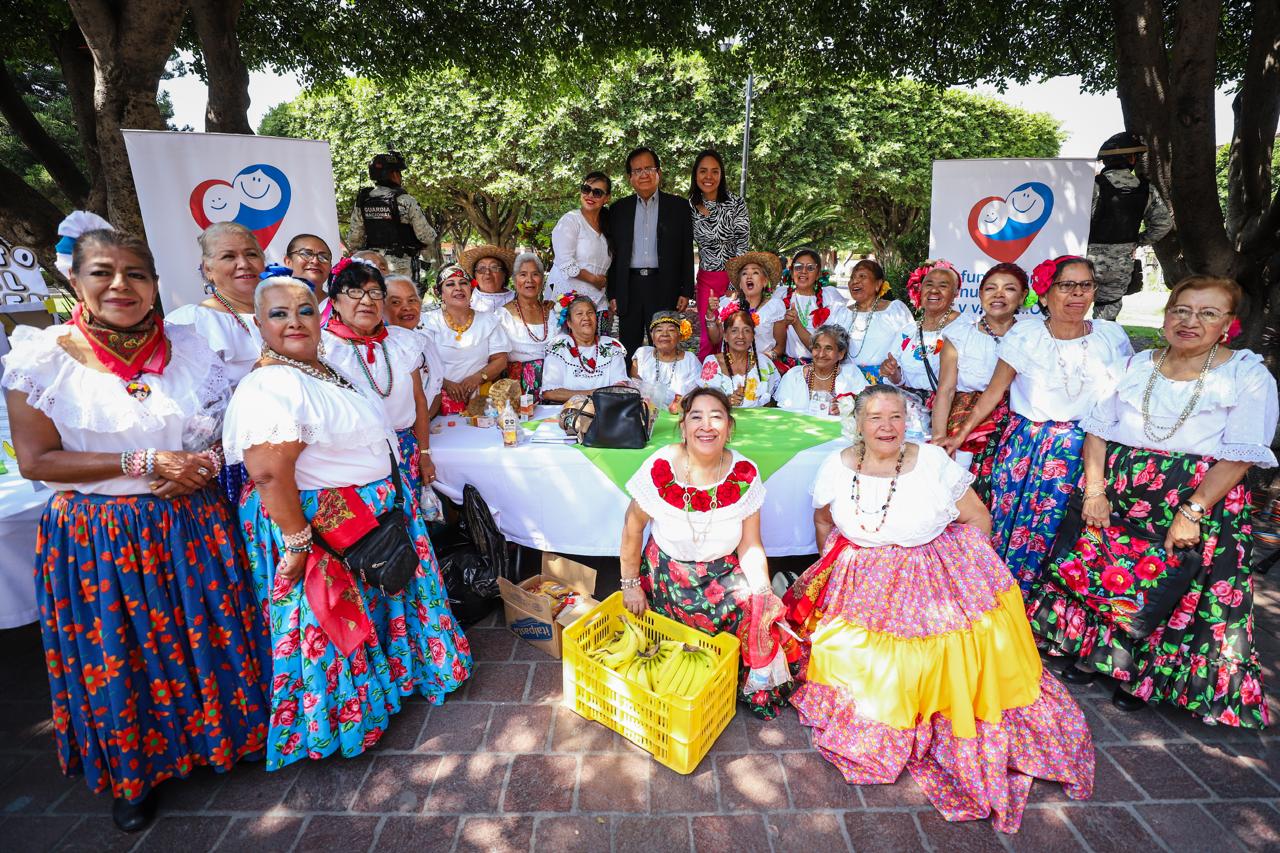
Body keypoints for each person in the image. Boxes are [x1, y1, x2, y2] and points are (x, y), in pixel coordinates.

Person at [3, 230, 269, 832]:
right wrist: (146, 462)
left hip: (189, 520)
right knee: (119, 651)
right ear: (76, 281)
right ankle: (134, 775)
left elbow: (217, 429)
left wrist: (200, 464)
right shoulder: (42, 357)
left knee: (203, 633)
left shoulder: (187, 347)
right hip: (101, 534)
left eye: (135, 273)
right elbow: (37, 461)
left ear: (154, 283)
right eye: (102, 272)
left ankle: (220, 741)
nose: (120, 285)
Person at [785, 385, 1094, 833]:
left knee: (940, 653)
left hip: (930, 569)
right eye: (875, 417)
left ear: (907, 419)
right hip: (863, 579)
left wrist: (969, 570)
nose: (887, 427)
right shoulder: (836, 466)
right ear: (858, 424)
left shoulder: (930, 461)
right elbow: (822, 521)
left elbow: (977, 518)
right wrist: (835, 574)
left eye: (896, 416)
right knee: (860, 658)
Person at [224, 276, 472, 771]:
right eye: (279, 313)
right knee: (333, 620)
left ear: (320, 316)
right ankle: (340, 722)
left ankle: (391, 685)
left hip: (366, 514)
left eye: (304, 310)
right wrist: (297, 543)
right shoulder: (272, 381)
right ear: (258, 324)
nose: (294, 320)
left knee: (370, 606)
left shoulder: (319, 369)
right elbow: (270, 471)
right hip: (325, 524)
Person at [1026, 276, 1276, 728]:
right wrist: (1095, 490)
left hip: (1196, 501)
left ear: (1228, 325)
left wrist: (1192, 511)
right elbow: (1099, 428)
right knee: (1104, 575)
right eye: (1181, 310)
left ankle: (1143, 677)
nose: (1190, 321)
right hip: (1119, 494)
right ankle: (1095, 655)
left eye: (1207, 313)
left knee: (1170, 588)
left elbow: (1240, 456)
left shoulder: (1246, 374)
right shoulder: (1135, 364)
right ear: (1165, 316)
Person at [941, 256, 1134, 591]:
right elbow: (993, 392)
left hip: (1086, 449)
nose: (1077, 294)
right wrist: (958, 437)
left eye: (1085, 285)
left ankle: (1049, 614)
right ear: (1045, 296)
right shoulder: (1027, 335)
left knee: (1066, 529)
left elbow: (1124, 396)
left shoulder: (1111, 336)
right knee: (1010, 524)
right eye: (1066, 286)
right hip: (1027, 447)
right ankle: (1003, 601)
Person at [621, 387, 790, 719]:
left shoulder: (744, 472)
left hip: (723, 578)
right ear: (683, 427)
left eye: (717, 417)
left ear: (729, 427)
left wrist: (762, 592)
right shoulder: (661, 466)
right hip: (668, 578)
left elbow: (750, 544)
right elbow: (632, 527)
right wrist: (629, 583)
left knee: (762, 623)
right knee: (668, 655)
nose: (706, 425)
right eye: (696, 416)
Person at [166, 222, 267, 505]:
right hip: (231, 462)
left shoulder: (283, 312)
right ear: (208, 269)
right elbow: (186, 413)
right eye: (228, 257)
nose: (243, 264)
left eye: (251, 254)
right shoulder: (192, 323)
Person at [321, 259, 436, 495]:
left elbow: (419, 400)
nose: (366, 300)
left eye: (374, 292)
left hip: (405, 451)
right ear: (334, 302)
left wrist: (424, 453)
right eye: (354, 292)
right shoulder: (324, 349)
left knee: (404, 523)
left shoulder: (401, 341)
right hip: (354, 460)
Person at [930, 263, 1028, 501]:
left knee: (1005, 492)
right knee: (959, 492)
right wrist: (940, 440)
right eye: (991, 288)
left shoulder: (1032, 334)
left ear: (1023, 295)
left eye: (1009, 289)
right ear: (980, 293)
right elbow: (946, 390)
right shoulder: (961, 335)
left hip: (1016, 424)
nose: (998, 295)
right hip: (964, 421)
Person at [606, 147, 695, 355]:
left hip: (664, 285)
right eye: (637, 170)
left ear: (659, 173)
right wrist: (613, 292)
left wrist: (686, 290)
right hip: (630, 286)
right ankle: (629, 385)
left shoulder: (679, 207)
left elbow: (685, 250)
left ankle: (663, 386)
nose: (643, 174)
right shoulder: (619, 210)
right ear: (630, 178)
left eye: (648, 168)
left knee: (665, 347)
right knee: (628, 348)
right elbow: (613, 254)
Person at [1087, 132, 1172, 321]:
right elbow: (1163, 224)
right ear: (1132, 159)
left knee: (1071, 309)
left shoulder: (1092, 185)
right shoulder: (1146, 188)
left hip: (1085, 262)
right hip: (1121, 264)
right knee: (1106, 318)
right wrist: (1138, 241)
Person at [417, 266, 511, 414]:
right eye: (450, 284)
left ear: (471, 289)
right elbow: (420, 363)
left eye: (463, 283)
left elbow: (500, 360)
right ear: (439, 292)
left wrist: (477, 378)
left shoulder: (488, 320)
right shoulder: (427, 321)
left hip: (480, 400)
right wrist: (445, 384)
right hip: (436, 400)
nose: (458, 288)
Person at [690, 150, 750, 359]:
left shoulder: (736, 204)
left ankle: (733, 383)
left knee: (733, 332)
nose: (709, 177)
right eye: (703, 171)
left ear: (721, 175)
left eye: (715, 171)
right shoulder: (689, 207)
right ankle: (706, 386)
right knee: (708, 335)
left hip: (732, 279)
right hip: (707, 279)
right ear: (695, 174)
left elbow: (743, 243)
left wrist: (735, 285)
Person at [880, 260, 961, 403]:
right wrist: (892, 372)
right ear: (921, 290)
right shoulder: (908, 331)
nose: (934, 290)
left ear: (955, 293)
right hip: (913, 409)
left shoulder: (965, 327)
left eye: (943, 286)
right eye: (928, 285)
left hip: (950, 407)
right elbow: (899, 381)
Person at [347, 151, 436, 277]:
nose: (400, 176)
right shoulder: (405, 200)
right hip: (400, 267)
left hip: (372, 265)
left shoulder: (363, 200)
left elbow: (354, 240)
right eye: (399, 172)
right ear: (393, 174)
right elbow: (426, 236)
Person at [545, 171, 613, 331]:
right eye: (586, 189)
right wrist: (594, 280)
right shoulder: (570, 220)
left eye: (597, 192)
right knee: (568, 348)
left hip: (597, 299)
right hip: (567, 297)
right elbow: (566, 263)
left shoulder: (608, 226)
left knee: (599, 347)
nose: (590, 195)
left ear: (607, 198)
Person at [540, 293, 628, 403]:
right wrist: (594, 394)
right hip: (567, 412)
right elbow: (550, 392)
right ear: (569, 322)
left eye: (590, 313)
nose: (586, 318)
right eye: (579, 314)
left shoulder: (611, 346)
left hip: (606, 411)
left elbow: (620, 386)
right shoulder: (559, 346)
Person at [839, 258, 913, 383]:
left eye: (862, 276)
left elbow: (909, 346)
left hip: (887, 383)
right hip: (848, 383)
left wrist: (894, 371)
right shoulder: (842, 313)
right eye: (852, 277)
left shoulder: (894, 310)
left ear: (878, 284)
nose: (855, 281)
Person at [384, 273, 445, 418]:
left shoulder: (425, 342)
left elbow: (436, 390)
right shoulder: (380, 350)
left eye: (412, 300)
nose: (407, 307)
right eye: (395, 302)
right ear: (380, 307)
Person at [774, 248, 846, 370]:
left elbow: (830, 344)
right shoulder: (780, 295)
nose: (803, 271)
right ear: (791, 272)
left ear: (818, 273)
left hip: (821, 367)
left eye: (810, 268)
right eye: (798, 267)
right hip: (786, 368)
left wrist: (796, 323)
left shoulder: (830, 296)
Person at [705, 252, 786, 360]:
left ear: (765, 282)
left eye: (755, 272)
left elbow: (780, 346)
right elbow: (715, 339)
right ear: (740, 284)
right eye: (744, 274)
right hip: (731, 367)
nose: (749, 276)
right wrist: (710, 314)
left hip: (762, 369)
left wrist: (764, 360)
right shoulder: (728, 304)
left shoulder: (774, 307)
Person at [775, 324, 868, 415]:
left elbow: (867, 404)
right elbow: (783, 414)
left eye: (828, 348)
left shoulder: (851, 374)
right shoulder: (794, 376)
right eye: (817, 347)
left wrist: (847, 408)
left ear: (840, 354)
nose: (821, 354)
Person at [500, 252, 556, 398]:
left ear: (542, 280)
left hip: (556, 385)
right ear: (514, 280)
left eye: (535, 274)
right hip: (519, 391)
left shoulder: (553, 312)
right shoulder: (503, 316)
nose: (529, 280)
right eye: (523, 274)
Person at [699, 308, 781, 408]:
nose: (741, 336)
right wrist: (725, 402)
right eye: (734, 331)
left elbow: (776, 400)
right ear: (725, 336)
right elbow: (703, 402)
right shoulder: (712, 363)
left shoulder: (764, 363)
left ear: (752, 336)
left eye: (746, 330)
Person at [631, 310, 701, 408]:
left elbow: (695, 396)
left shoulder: (690, 360)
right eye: (659, 330)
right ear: (652, 335)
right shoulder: (642, 355)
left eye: (671, 330)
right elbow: (634, 392)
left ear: (679, 335)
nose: (665, 334)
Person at [460, 245, 517, 313]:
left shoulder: (518, 299)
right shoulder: (465, 299)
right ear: (475, 275)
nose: (487, 272)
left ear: (504, 274)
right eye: (482, 268)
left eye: (494, 267)